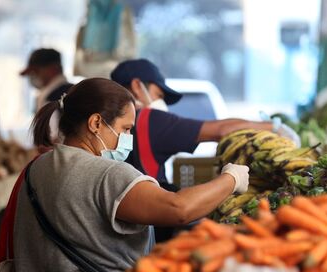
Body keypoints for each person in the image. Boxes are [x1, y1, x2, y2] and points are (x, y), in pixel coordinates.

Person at [14, 78, 249, 272]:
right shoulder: (108, 174)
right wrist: (231, 178)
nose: (128, 138)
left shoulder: (37, 167)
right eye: (125, 129)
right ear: (96, 123)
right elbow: (179, 208)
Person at [110, 58, 300, 186]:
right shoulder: (148, 120)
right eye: (158, 94)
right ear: (137, 86)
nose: (160, 103)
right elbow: (220, 130)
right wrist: (273, 127)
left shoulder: (105, 120)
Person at [20, 48, 73, 143]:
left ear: (52, 69)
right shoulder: (74, 90)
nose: (32, 76)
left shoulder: (51, 98)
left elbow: (52, 141)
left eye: (36, 72)